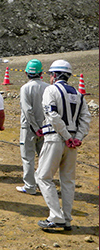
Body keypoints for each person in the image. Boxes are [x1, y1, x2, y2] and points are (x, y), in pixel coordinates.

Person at [36, 60, 91, 231]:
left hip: (55, 138)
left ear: (53, 75)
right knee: (67, 180)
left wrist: (66, 136)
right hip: (72, 142)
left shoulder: (50, 90)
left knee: (43, 177)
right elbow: (86, 119)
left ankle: (56, 216)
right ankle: (66, 218)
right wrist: (77, 138)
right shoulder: (78, 94)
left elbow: (51, 114)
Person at [16, 59, 50, 195]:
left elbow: (27, 110)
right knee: (44, 158)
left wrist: (36, 128)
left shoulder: (25, 88)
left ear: (26, 73)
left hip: (29, 128)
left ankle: (30, 186)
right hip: (46, 127)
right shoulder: (47, 87)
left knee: (28, 158)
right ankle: (43, 184)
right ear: (41, 72)